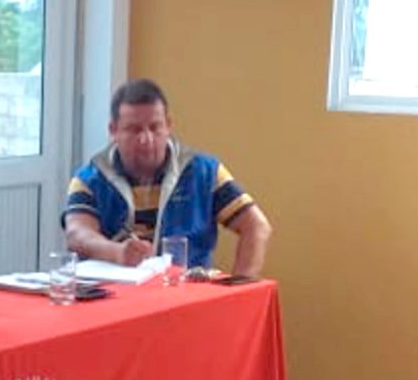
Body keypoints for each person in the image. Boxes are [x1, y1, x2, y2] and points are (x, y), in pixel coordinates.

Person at [63, 79, 272, 276]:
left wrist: (240, 287)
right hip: (116, 294)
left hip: (189, 293)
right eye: (134, 130)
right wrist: (117, 252)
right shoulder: (89, 179)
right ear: (113, 130)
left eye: (155, 127)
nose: (146, 139)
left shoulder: (204, 172)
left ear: (168, 125)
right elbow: (77, 234)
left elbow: (256, 226)